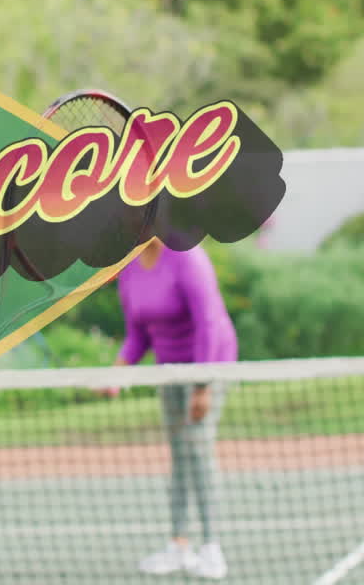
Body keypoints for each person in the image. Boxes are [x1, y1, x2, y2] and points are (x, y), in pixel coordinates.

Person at [105, 237, 238, 580]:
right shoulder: (129, 267)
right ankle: (179, 545)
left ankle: (211, 548)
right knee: (179, 455)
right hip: (169, 370)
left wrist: (202, 385)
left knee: (198, 450)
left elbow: (208, 323)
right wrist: (116, 374)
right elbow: (137, 334)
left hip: (209, 363)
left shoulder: (188, 258)